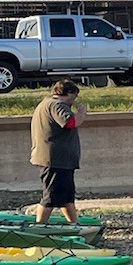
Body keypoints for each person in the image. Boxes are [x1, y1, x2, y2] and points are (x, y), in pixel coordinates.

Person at [30, 79, 84, 226]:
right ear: (69, 93)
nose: (74, 101)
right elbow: (70, 123)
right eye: (74, 96)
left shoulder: (45, 103)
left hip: (59, 160)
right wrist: (81, 113)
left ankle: (74, 224)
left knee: (66, 196)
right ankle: (39, 227)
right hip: (55, 160)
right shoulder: (57, 105)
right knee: (50, 196)